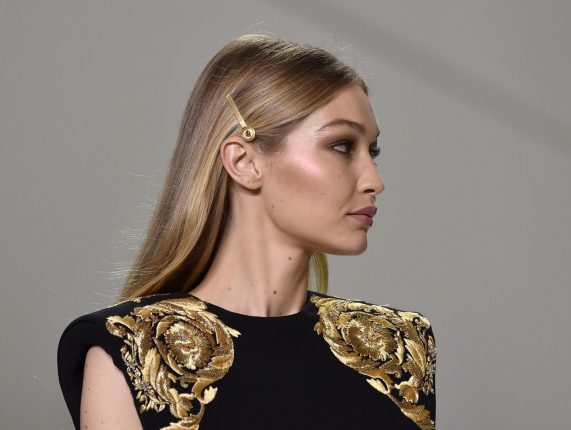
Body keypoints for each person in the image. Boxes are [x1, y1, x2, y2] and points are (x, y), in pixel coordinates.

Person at [56, 33, 437, 429]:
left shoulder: (397, 346)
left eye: (372, 151)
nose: (375, 180)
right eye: (342, 146)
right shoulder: (133, 347)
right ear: (244, 162)